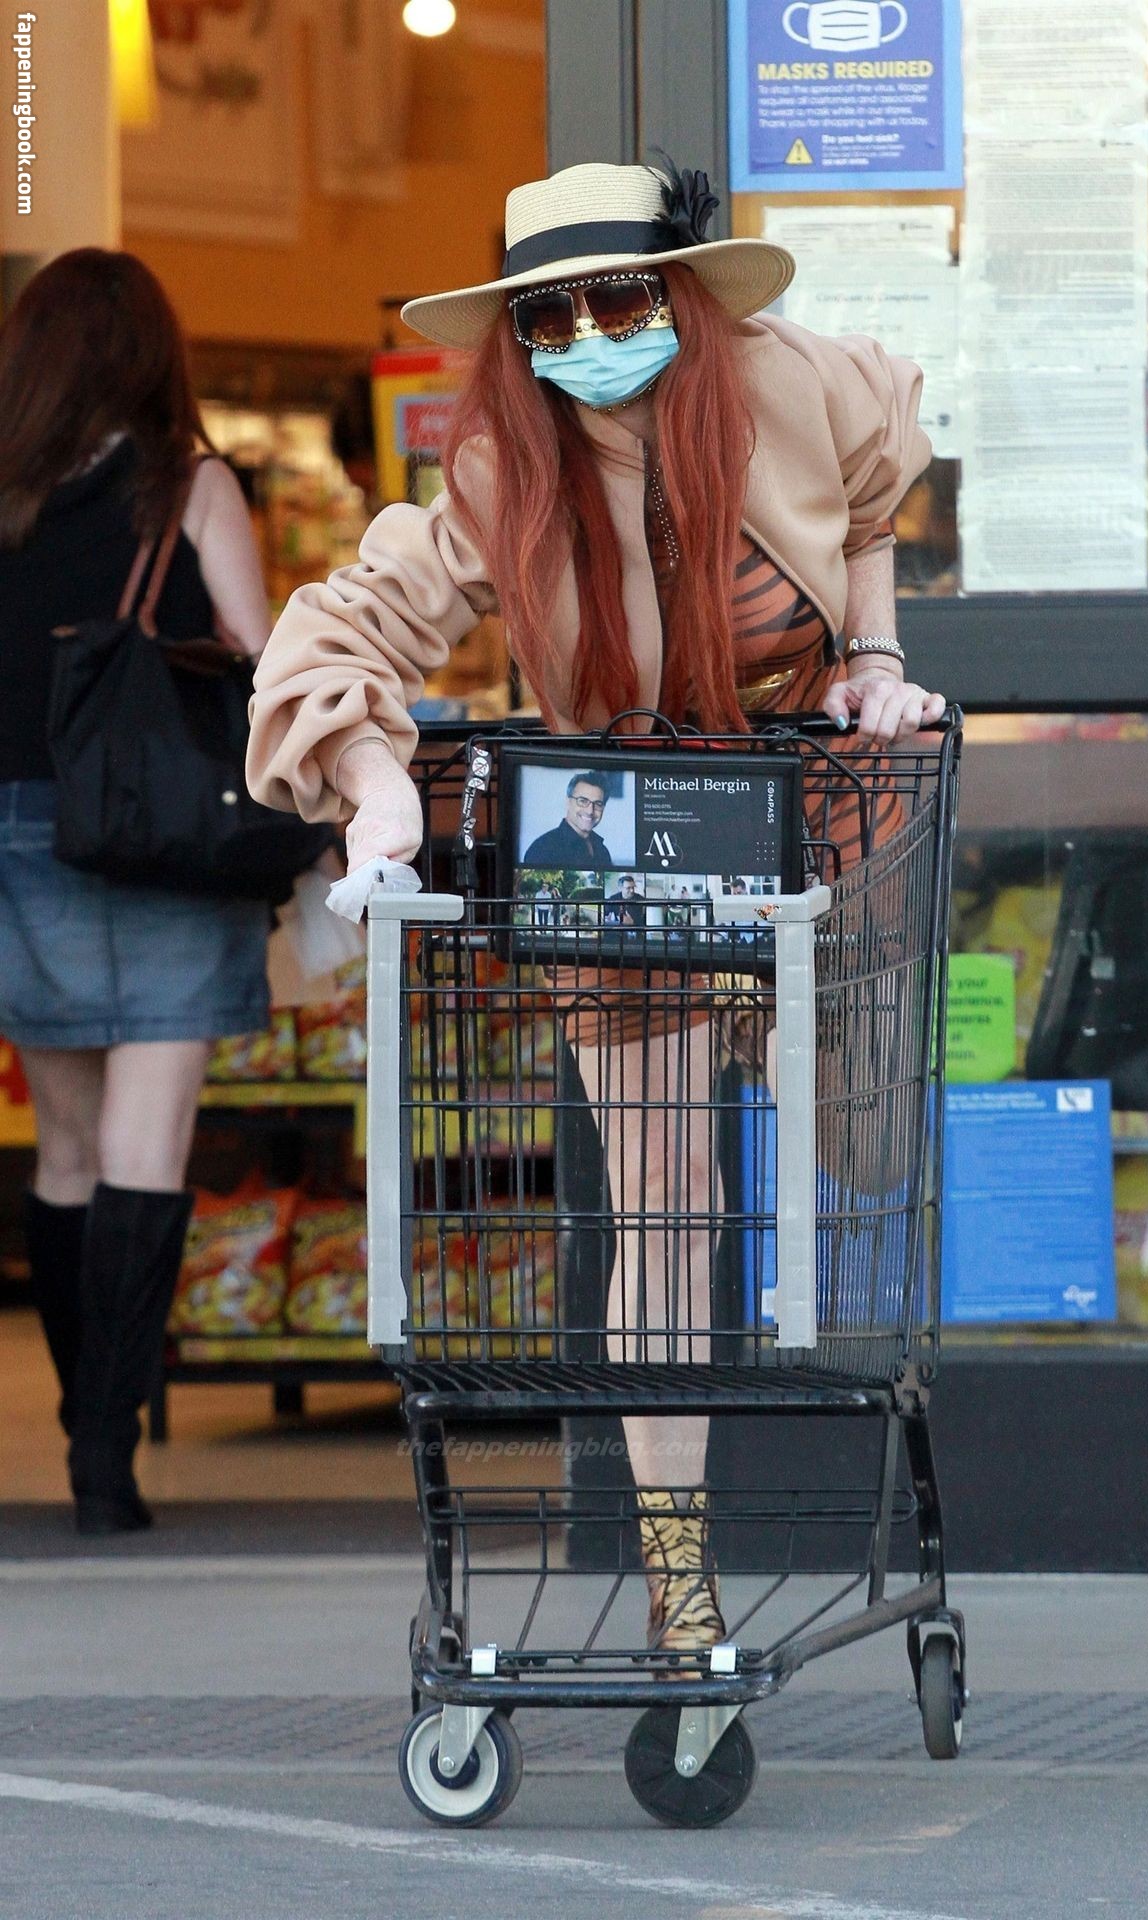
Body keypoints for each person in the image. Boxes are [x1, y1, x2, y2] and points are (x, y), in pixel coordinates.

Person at [247, 159, 946, 1656]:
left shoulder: (793, 384)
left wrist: (875, 660)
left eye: (618, 300)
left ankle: (775, 1040)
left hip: (808, 824)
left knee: (860, 1149)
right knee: (667, 1204)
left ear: (681, 294)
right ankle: (681, 1589)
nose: (584, 339)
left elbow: (875, 492)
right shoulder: (502, 471)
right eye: (545, 317)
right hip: (620, 849)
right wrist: (374, 784)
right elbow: (340, 632)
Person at [0, 250, 273, 1535]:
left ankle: (83, 1426)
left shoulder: (6, 494)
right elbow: (265, 663)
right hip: (162, 838)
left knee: (65, 1153)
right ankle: (106, 1463)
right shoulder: (189, 485)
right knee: (143, 1151)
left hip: (19, 839)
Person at [522, 771, 614, 868]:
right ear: (568, 802)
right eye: (583, 801)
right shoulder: (543, 849)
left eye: (598, 804)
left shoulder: (602, 850)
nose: (590, 811)